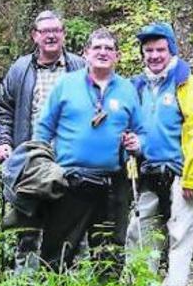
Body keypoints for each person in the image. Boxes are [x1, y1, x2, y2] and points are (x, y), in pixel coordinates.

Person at [34, 28, 145, 269]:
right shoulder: (66, 85)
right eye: (97, 48)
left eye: (109, 49)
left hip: (113, 186)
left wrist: (138, 143)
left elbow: (141, 131)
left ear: (117, 56)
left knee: (109, 256)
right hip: (69, 183)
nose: (103, 52)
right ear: (85, 53)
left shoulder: (127, 89)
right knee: (57, 254)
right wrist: (40, 166)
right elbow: (43, 129)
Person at [125, 22, 193, 286]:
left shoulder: (186, 84)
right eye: (149, 50)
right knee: (140, 234)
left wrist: (191, 176)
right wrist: (134, 144)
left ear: (171, 50)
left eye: (160, 50)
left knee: (181, 235)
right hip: (147, 172)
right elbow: (136, 129)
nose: (154, 56)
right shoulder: (138, 87)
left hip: (182, 175)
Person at [0, 10, 85, 271]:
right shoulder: (21, 69)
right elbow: (3, 109)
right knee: (28, 224)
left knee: (71, 223)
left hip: (70, 158)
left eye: (56, 30)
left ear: (64, 34)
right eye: (45, 31)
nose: (51, 36)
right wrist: (2, 142)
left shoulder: (79, 68)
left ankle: (65, 283)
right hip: (31, 158)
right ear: (35, 36)